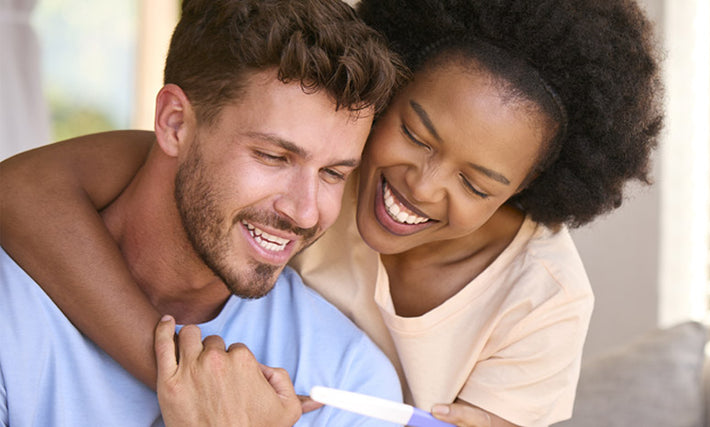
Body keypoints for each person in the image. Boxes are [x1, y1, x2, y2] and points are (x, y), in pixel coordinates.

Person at [0, 0, 663, 425]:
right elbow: (26, 190)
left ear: (518, 193)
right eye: (417, 134)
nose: (422, 187)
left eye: (477, 181)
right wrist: (191, 377)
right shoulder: (346, 169)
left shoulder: (539, 298)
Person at [0, 0, 407, 426]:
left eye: (333, 173)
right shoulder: (15, 309)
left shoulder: (348, 380)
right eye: (273, 156)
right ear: (174, 123)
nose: (305, 213)